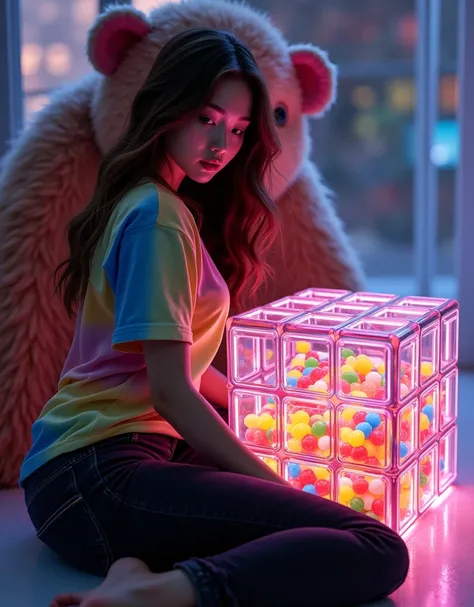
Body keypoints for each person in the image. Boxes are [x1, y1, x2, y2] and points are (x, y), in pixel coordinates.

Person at [20, 28, 409, 607]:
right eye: (207, 118)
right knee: (374, 545)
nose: (221, 144)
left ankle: (133, 572)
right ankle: (168, 594)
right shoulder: (158, 219)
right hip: (97, 478)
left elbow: (180, 366)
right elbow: (172, 392)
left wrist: (267, 404)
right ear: (167, 108)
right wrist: (270, 483)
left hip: (80, 476)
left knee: (295, 477)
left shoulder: (149, 203)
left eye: (238, 130)